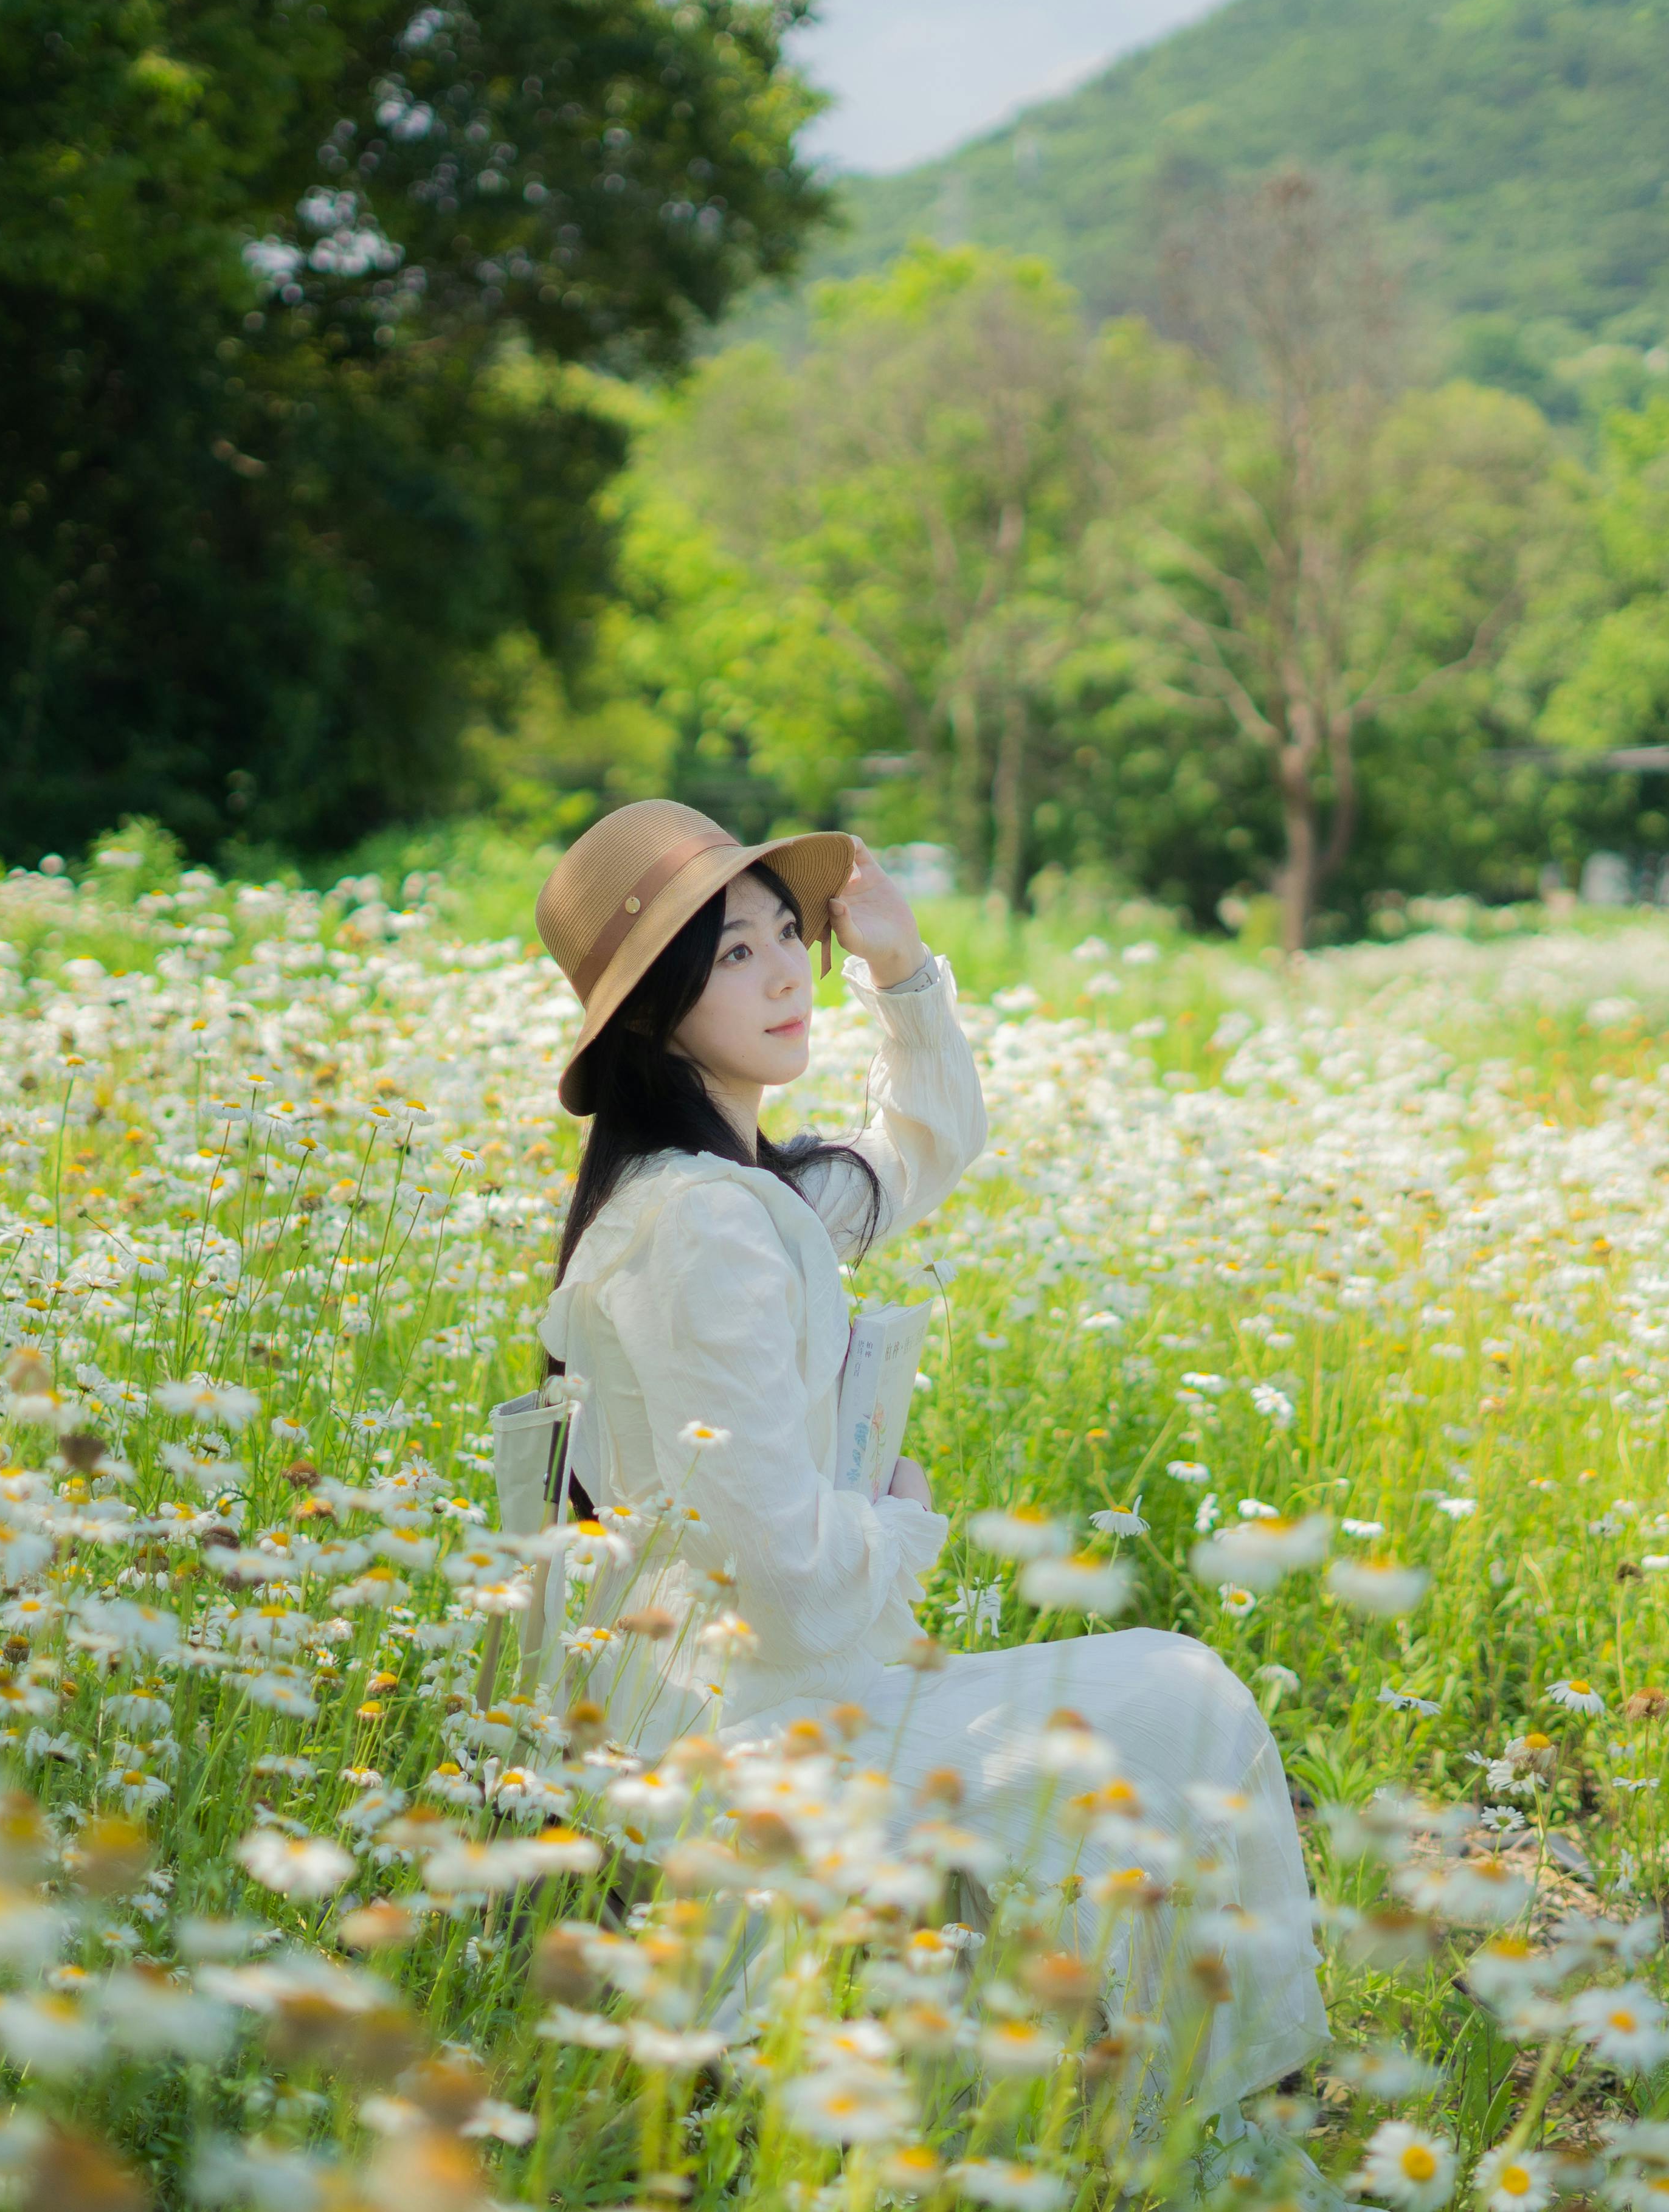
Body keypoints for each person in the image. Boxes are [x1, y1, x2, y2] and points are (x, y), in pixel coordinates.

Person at [528, 799, 1330, 2128]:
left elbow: (922, 1148)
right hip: (761, 1739)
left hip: (750, 1700)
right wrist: (902, 1518)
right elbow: (782, 1571)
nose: (788, 972)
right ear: (652, 1007)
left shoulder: (731, 1191)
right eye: (732, 955)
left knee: (1151, 1694)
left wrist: (900, 969)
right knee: (1186, 1687)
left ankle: (1152, 2083)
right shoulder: (707, 1232)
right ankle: (1201, 2104)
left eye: (791, 936)